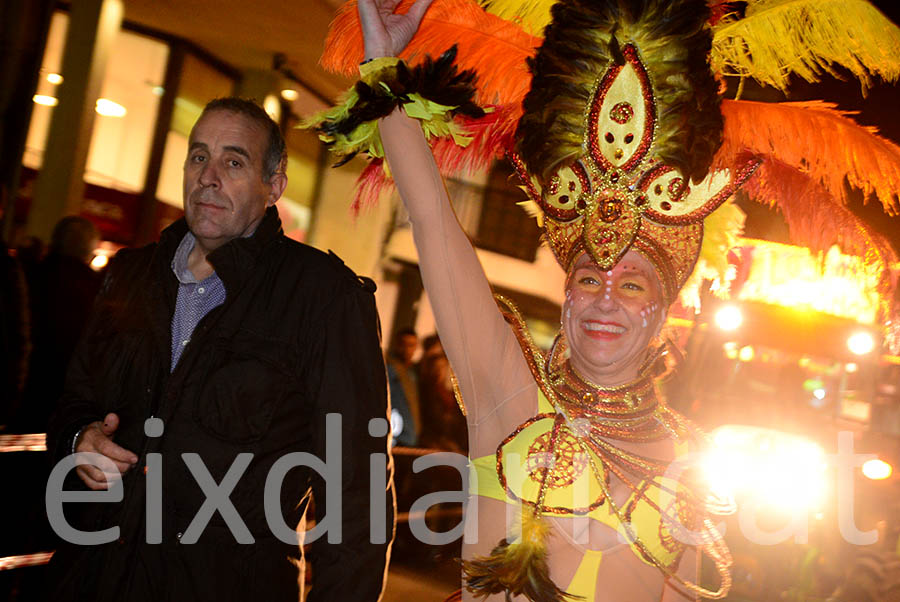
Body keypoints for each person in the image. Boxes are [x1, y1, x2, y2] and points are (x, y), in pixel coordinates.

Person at [309, 0, 900, 599]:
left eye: (633, 285)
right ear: (566, 301)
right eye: (589, 279)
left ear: (663, 313)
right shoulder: (507, 392)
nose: (606, 300)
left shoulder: (691, 460)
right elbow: (436, 225)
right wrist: (381, 62)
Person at [45, 97, 392, 601]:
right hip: (94, 576)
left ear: (273, 187)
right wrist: (80, 438)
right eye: (198, 156)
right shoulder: (131, 276)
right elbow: (73, 403)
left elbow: (356, 498)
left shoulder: (323, 297)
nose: (208, 176)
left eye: (234, 162)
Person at [18, 216, 102, 432]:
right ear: (89, 251)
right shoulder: (98, 291)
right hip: (65, 395)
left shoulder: (29, 275)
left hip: (24, 387)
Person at [386, 326, 420, 446]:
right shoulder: (388, 369)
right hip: (394, 437)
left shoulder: (412, 373)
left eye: (411, 345)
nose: (406, 349)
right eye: (403, 344)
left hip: (408, 437)